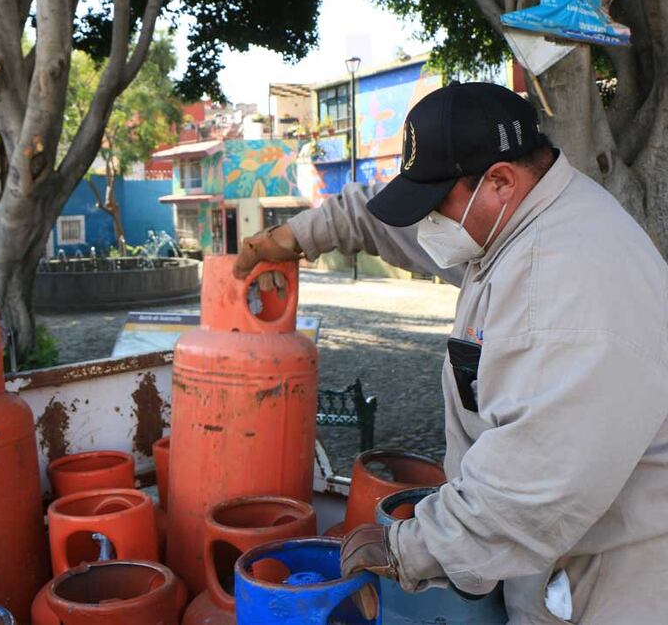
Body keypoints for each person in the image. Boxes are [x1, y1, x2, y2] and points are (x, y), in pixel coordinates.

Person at [233, 82, 668, 623]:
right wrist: (295, 236)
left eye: (435, 203)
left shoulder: (564, 286)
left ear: (501, 181)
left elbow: (528, 489)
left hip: (606, 586)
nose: (429, 221)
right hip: (550, 561)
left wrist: (406, 550)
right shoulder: (515, 222)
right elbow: (385, 222)